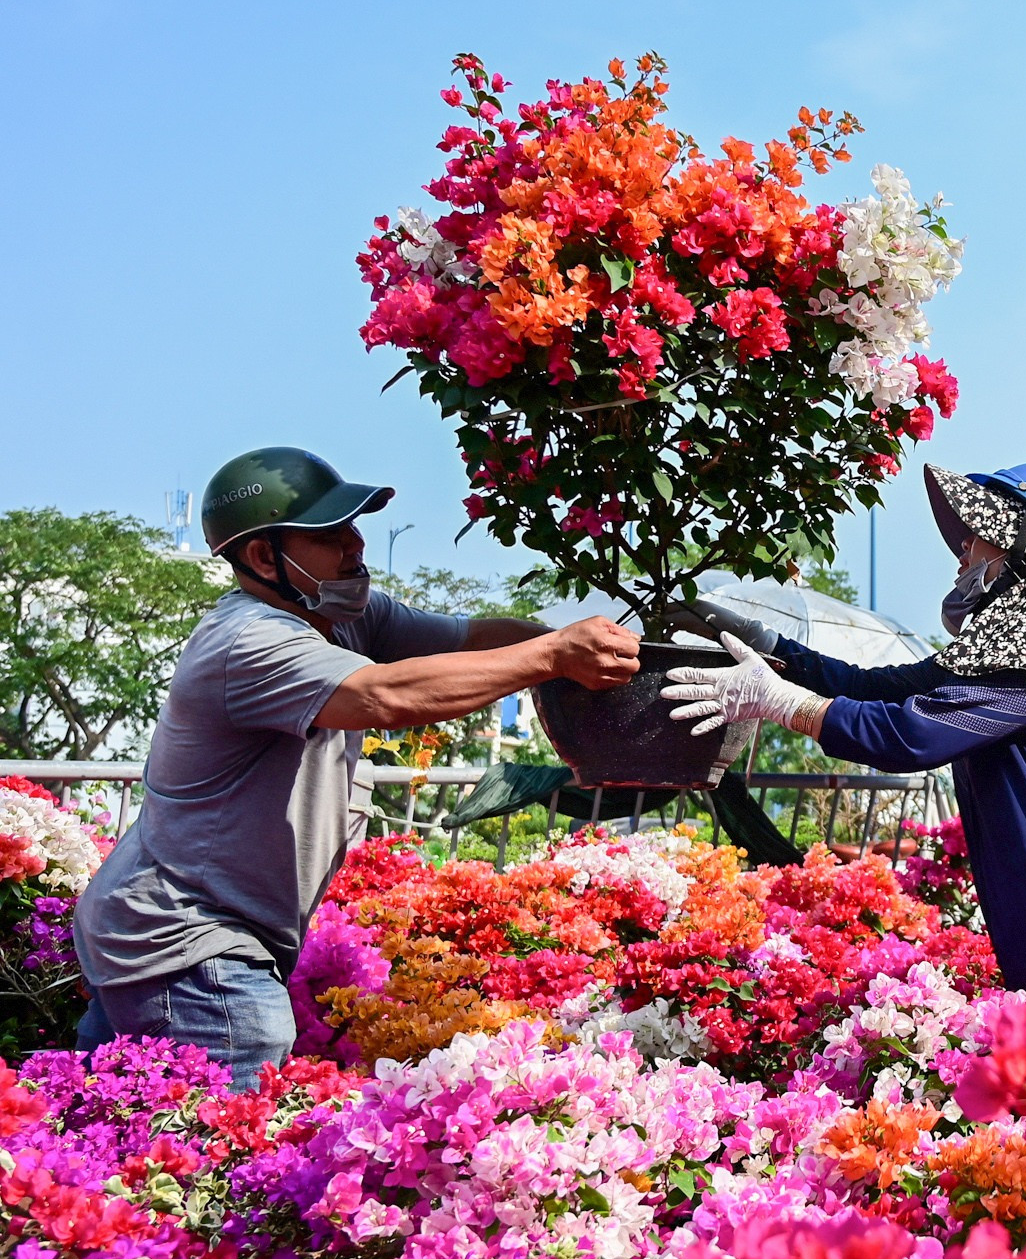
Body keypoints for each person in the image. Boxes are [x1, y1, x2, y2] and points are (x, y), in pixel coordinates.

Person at [74, 446, 639, 1086]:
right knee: (220, 1130)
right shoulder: (248, 639)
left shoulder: (341, 615)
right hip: (190, 941)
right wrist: (553, 656)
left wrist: (607, 648)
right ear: (263, 557)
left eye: (352, 526)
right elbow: (382, 696)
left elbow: (468, 640)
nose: (356, 544)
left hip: (165, 931)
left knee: (117, 1129)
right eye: (330, 534)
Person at [663, 461, 1026, 995]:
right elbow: (875, 688)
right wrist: (766, 643)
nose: (961, 554)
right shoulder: (1003, 656)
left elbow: (911, 736)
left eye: (977, 537)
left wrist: (781, 702)